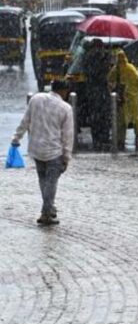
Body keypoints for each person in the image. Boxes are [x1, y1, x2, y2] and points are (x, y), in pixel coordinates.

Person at [11, 80, 74, 226]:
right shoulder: (65, 108)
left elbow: (26, 120)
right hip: (54, 151)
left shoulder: (36, 99)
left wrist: (16, 137)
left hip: (36, 149)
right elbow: (67, 135)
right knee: (51, 183)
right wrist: (66, 156)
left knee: (43, 180)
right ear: (64, 91)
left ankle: (49, 208)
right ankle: (46, 213)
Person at [108, 49, 138, 150]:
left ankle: (137, 137)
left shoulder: (131, 69)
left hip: (132, 99)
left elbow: (137, 83)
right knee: (121, 121)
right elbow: (109, 80)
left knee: (136, 120)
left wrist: (128, 91)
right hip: (122, 99)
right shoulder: (116, 70)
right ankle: (120, 140)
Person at [82, 39, 113, 150]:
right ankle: (103, 138)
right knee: (104, 115)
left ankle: (97, 139)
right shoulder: (102, 57)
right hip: (100, 89)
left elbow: (87, 71)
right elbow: (103, 73)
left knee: (95, 116)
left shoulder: (87, 56)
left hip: (91, 90)